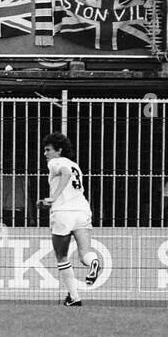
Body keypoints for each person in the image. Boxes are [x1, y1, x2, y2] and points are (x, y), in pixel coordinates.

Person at [40, 132, 101, 307]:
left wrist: (53, 197)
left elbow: (65, 174)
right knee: (85, 253)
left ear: (58, 151)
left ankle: (74, 297)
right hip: (82, 210)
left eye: (48, 150)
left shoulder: (55, 162)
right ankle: (93, 262)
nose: (45, 154)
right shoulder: (76, 166)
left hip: (63, 213)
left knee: (61, 257)